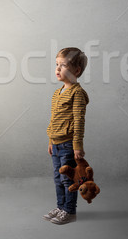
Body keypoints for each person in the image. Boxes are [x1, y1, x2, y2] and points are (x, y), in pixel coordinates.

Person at [42, 47, 89, 225]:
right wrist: (50, 141)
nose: (57, 69)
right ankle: (60, 207)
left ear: (76, 71)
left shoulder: (77, 94)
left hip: (68, 144)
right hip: (56, 143)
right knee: (57, 178)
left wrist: (77, 145)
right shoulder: (57, 93)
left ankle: (70, 210)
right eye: (56, 65)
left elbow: (79, 121)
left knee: (67, 177)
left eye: (63, 65)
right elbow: (54, 119)